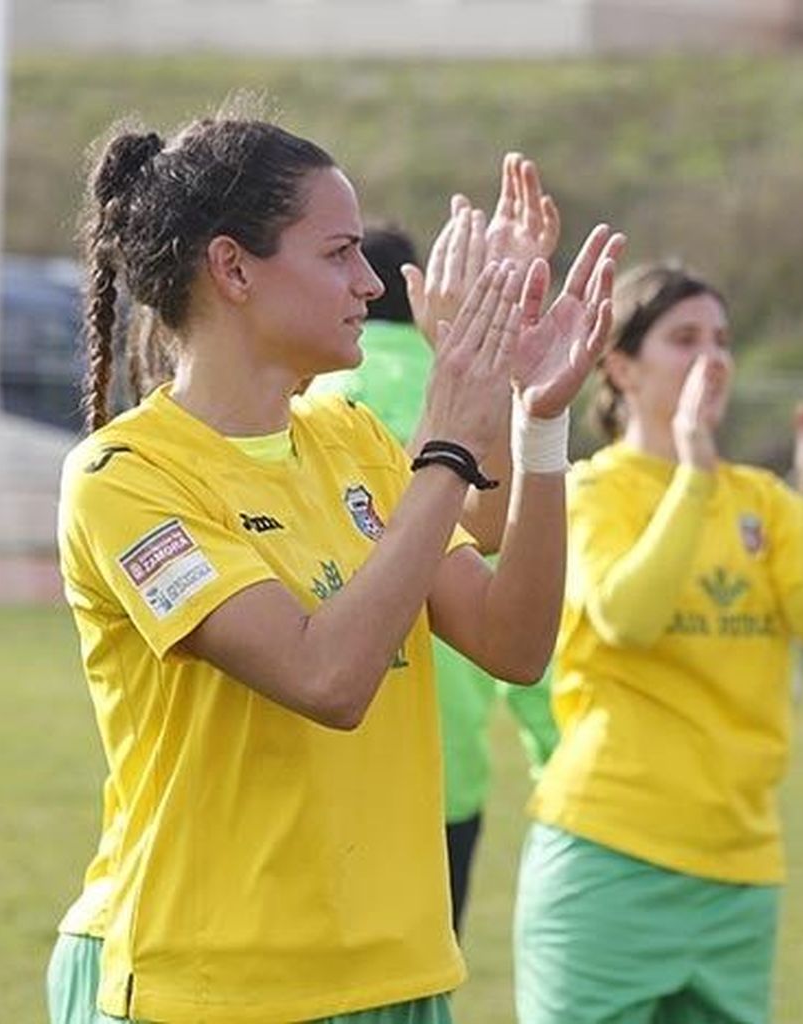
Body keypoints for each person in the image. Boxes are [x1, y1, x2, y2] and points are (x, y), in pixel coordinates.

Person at [47, 108, 621, 1024]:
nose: (369, 282)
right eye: (338, 252)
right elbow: (326, 676)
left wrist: (535, 421)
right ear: (232, 268)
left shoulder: (353, 439)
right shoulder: (126, 477)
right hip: (222, 989)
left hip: (398, 976)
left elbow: (515, 644)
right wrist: (444, 446)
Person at [513, 262, 803, 1024]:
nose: (713, 358)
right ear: (620, 367)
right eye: (684, 339)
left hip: (740, 869)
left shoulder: (764, 501)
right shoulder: (592, 491)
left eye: (722, 340)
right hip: (611, 854)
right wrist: (694, 475)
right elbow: (626, 617)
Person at [308, 154, 571, 938]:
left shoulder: (328, 399)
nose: (355, 281)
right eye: (334, 255)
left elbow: (473, 542)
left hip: (332, 771)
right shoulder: (435, 379)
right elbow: (488, 533)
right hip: (446, 761)